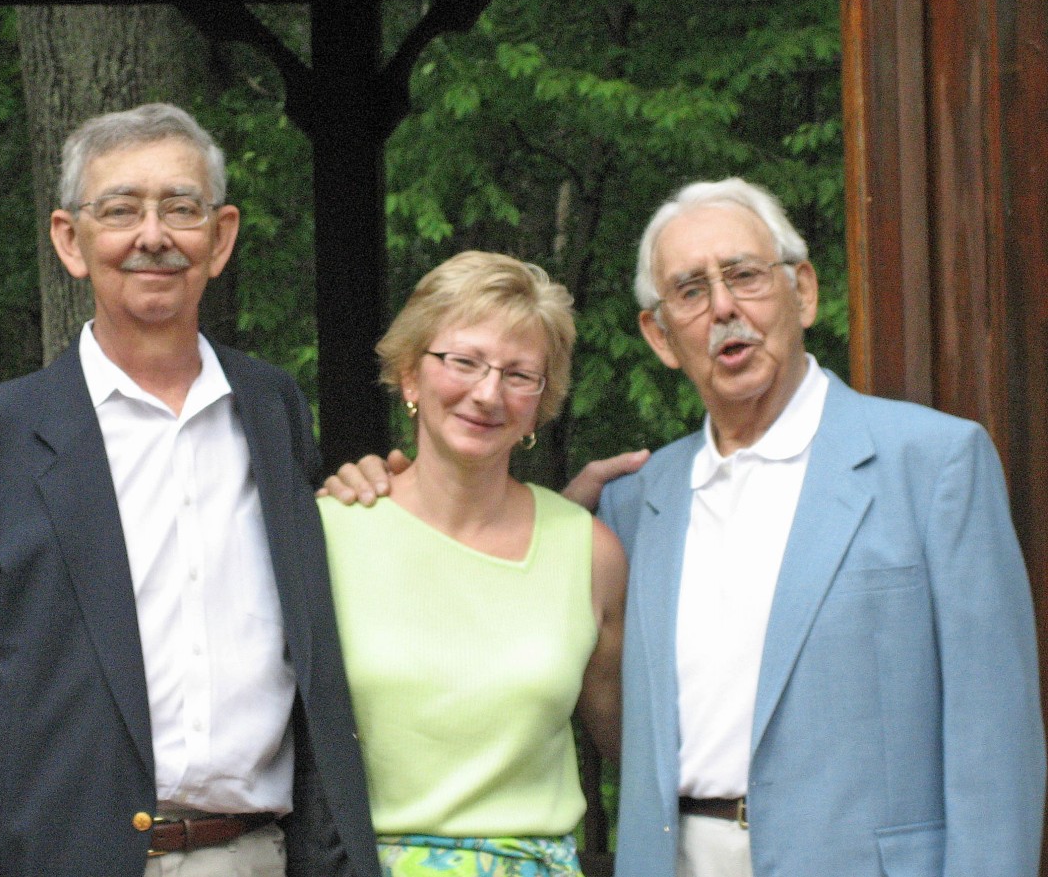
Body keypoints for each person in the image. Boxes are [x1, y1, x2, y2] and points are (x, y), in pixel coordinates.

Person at [324, 178, 1046, 877]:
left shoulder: (933, 465)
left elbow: (997, 744)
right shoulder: (636, 504)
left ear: (804, 291)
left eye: (745, 275)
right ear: (661, 334)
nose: (724, 307)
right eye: (691, 291)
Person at [0, 104, 379, 877]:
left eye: (181, 207)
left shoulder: (275, 412)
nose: (153, 235)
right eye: (120, 209)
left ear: (222, 236)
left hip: (258, 858)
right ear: (71, 241)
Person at [318, 251, 626, 877]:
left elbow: (636, 753)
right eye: (463, 361)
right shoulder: (327, 531)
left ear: (542, 403)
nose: (487, 393)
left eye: (519, 375)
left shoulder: (589, 552)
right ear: (410, 374)